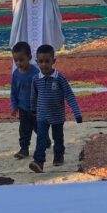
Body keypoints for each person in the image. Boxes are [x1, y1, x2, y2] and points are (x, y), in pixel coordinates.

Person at [28, 44, 82, 173]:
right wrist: (33, 109)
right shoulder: (36, 79)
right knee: (41, 137)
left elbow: (69, 95)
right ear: (37, 62)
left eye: (47, 61)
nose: (44, 64)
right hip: (42, 116)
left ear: (53, 61)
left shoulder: (59, 78)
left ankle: (59, 155)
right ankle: (39, 161)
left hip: (57, 115)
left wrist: (77, 113)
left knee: (58, 137)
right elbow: (33, 95)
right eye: (41, 62)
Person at [10, 41, 40, 160]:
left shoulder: (36, 73)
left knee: (39, 128)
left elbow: (41, 90)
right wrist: (14, 106)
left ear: (30, 57)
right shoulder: (16, 74)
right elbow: (13, 91)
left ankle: (45, 140)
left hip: (36, 109)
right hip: (23, 108)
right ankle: (24, 149)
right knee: (24, 130)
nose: (18, 63)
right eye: (16, 60)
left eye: (21, 60)